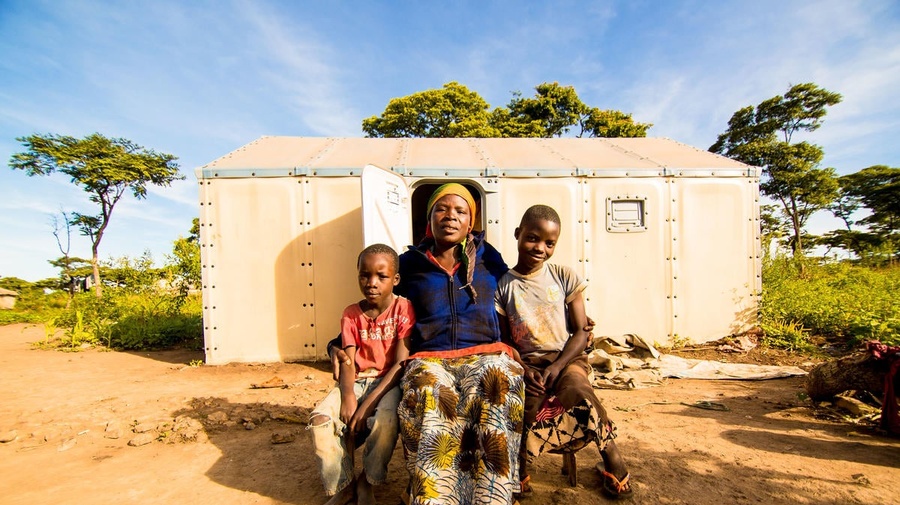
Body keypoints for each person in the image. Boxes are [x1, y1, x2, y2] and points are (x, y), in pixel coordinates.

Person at [494, 204, 634, 499]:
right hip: (529, 365)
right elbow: (505, 341)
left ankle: (613, 459)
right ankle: (522, 469)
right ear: (518, 234)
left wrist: (557, 366)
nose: (540, 248)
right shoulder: (504, 286)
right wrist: (524, 368)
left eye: (549, 243)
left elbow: (582, 330)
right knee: (526, 409)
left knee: (581, 391)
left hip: (568, 358)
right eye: (532, 238)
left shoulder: (564, 276)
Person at [309, 243, 415, 505]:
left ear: (396, 279)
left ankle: (367, 480)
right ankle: (342, 485)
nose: (372, 283)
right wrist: (347, 395)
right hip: (356, 381)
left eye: (381, 276)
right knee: (321, 420)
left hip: (389, 384)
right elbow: (347, 360)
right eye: (364, 275)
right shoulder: (351, 315)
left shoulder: (403, 310)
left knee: (386, 422)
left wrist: (367, 404)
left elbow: (400, 365)